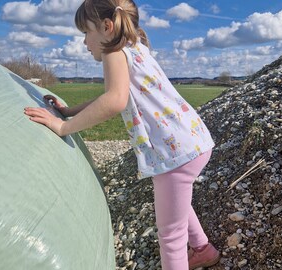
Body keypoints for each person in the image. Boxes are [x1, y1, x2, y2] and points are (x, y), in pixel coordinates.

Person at [24, 0, 220, 269]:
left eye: (85, 33)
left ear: (106, 27)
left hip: (176, 153)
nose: (84, 43)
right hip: (192, 142)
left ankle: (198, 250)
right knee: (177, 202)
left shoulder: (114, 52)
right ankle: (203, 250)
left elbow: (114, 101)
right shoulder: (136, 48)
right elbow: (114, 97)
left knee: (170, 236)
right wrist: (68, 111)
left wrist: (62, 127)